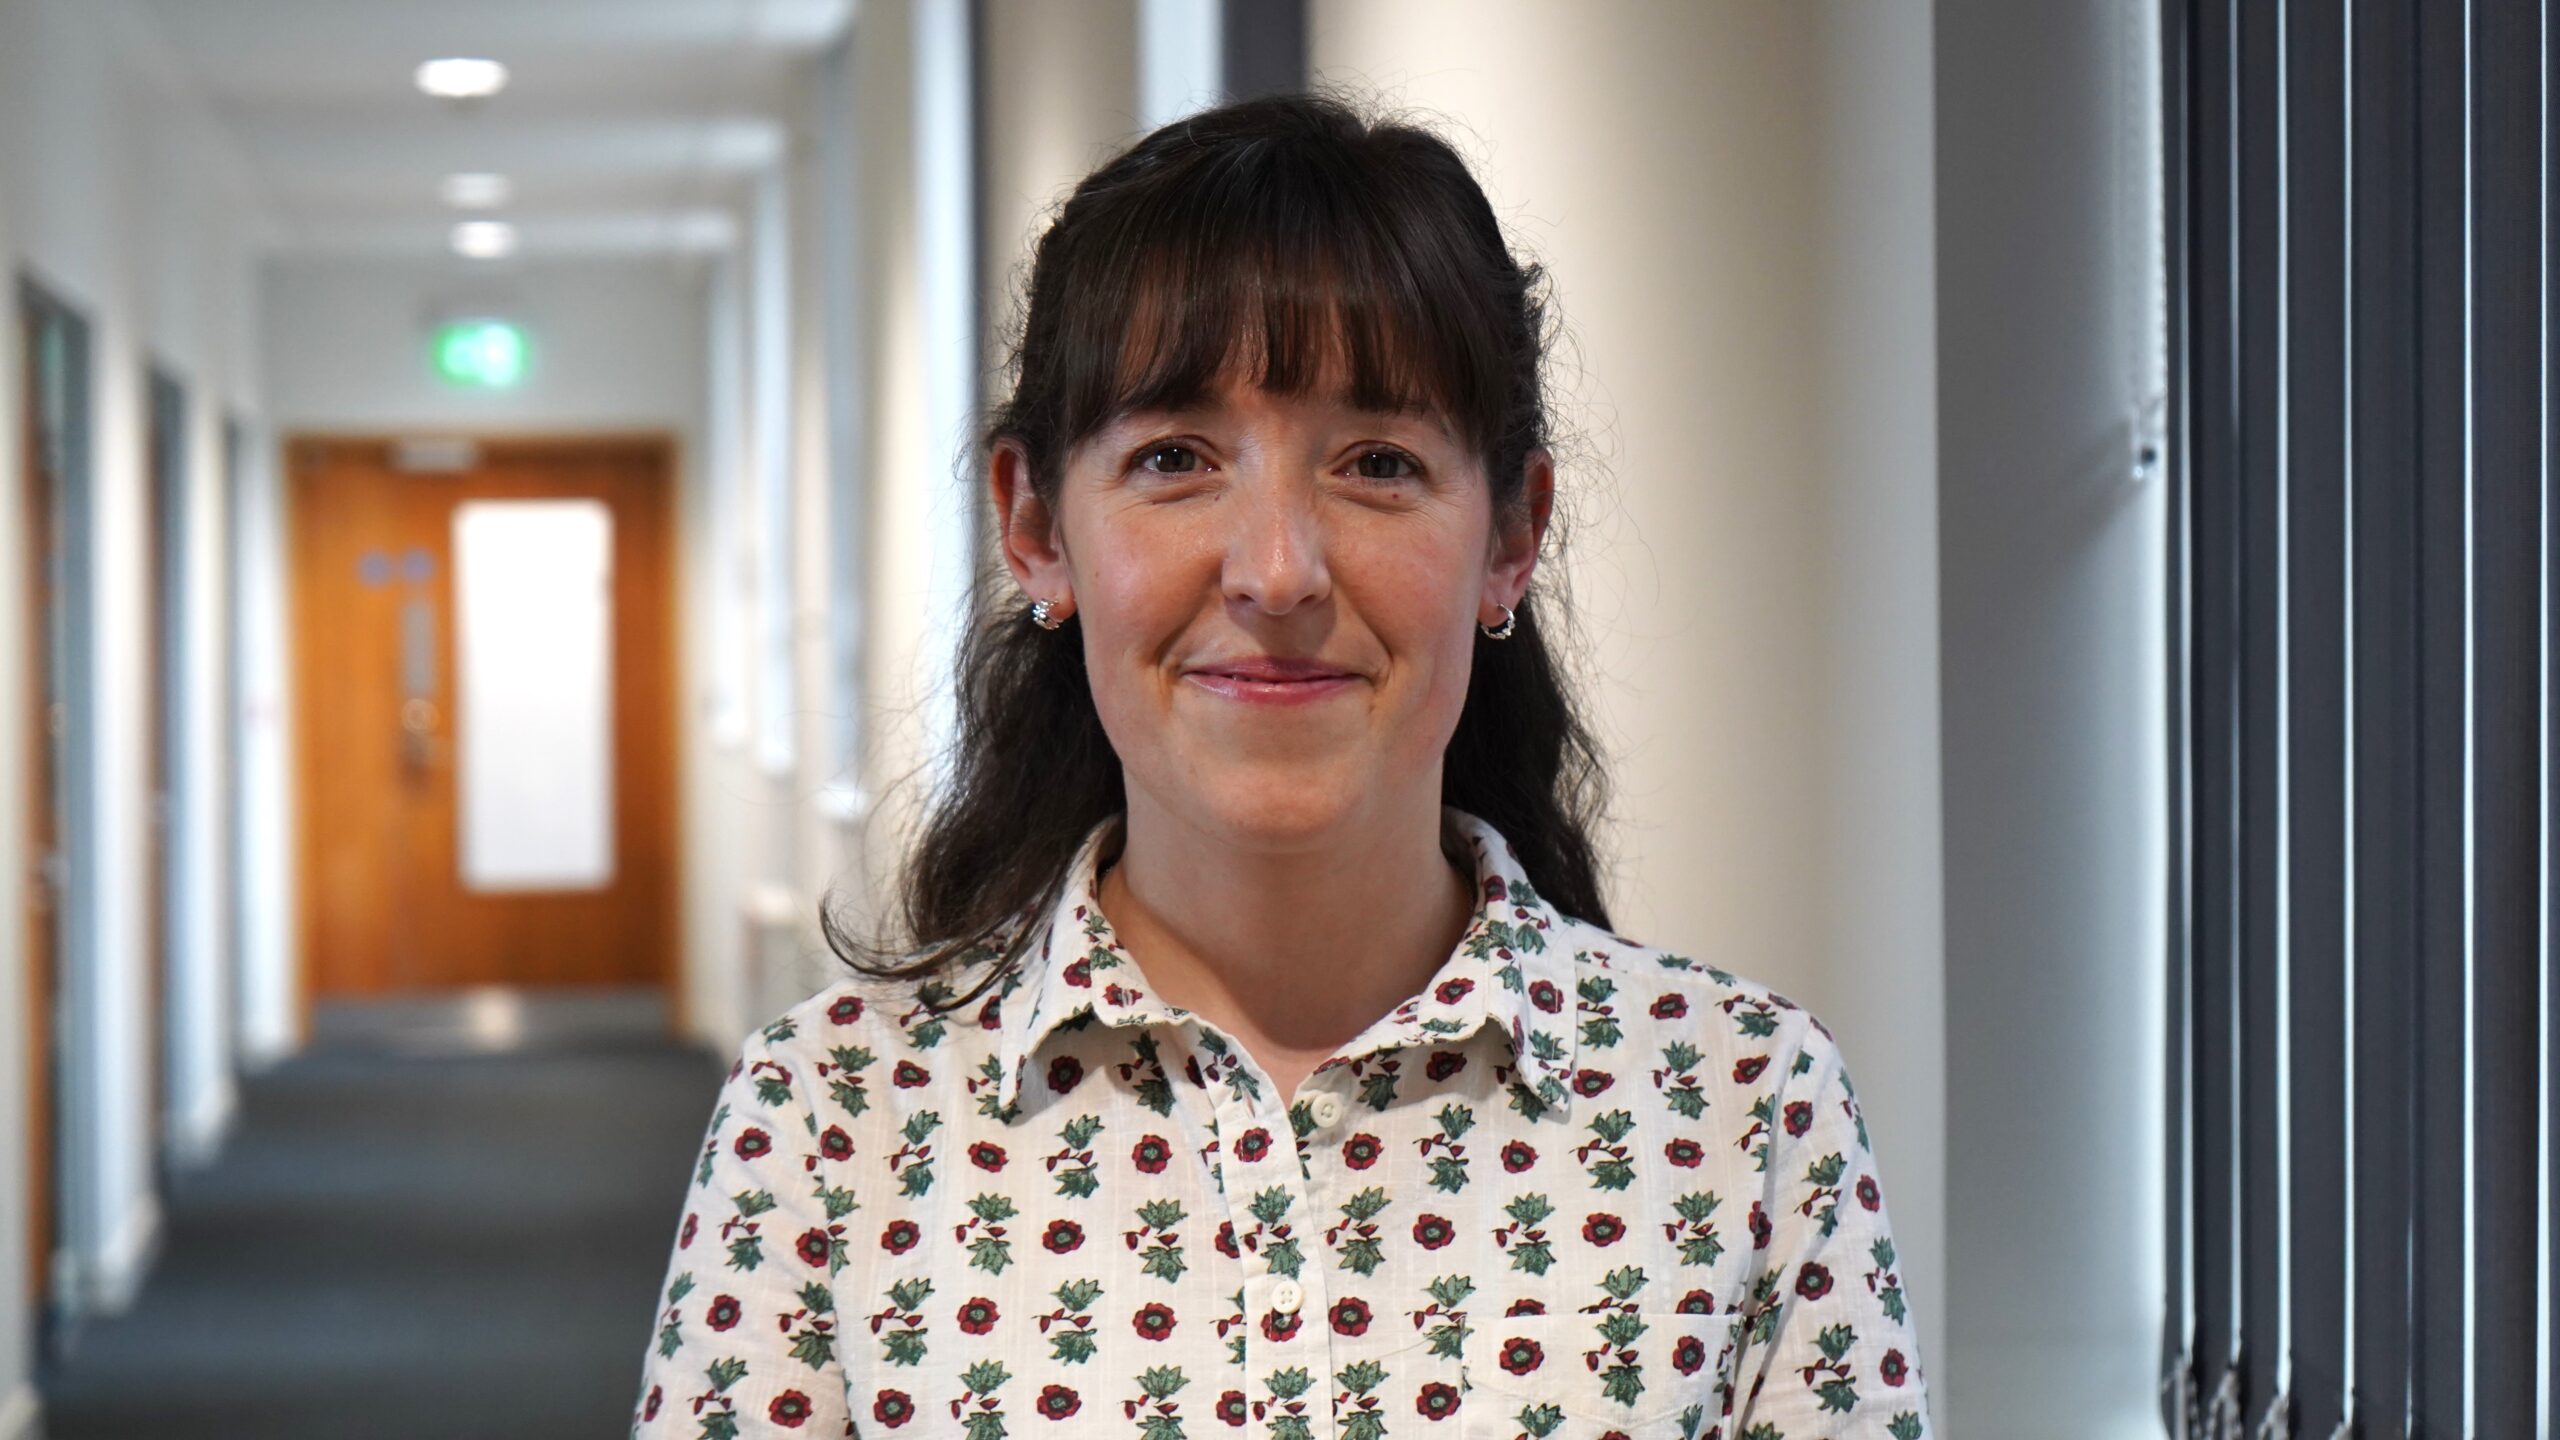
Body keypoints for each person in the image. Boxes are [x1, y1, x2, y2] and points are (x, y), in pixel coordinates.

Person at [629, 90, 1931, 1440]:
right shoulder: (835, 1118)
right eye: (1176, 459)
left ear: (1509, 537)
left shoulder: (1739, 1105)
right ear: (1034, 527)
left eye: (1376, 464)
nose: (1277, 572)